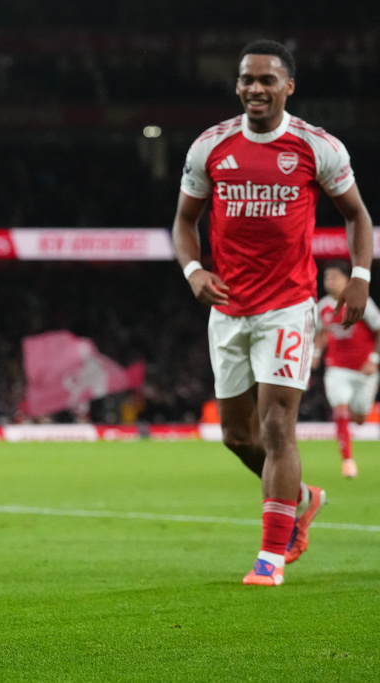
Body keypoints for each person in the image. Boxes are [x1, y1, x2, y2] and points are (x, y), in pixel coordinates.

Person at [172, 40, 374, 586]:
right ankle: (303, 500)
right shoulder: (210, 146)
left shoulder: (316, 146)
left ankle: (270, 555)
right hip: (227, 309)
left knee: (278, 426)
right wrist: (194, 273)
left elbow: (357, 215)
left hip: (287, 306)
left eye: (266, 80)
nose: (255, 89)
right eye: (246, 80)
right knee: (238, 436)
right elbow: (184, 222)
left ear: (289, 86)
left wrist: (360, 276)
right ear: (237, 85)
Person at [312, 262, 380, 479]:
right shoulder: (322, 306)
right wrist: (315, 354)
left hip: (363, 370)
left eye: (334, 277)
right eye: (327, 278)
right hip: (337, 368)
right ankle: (348, 462)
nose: (329, 282)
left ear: (346, 279)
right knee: (340, 408)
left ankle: (353, 417)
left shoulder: (360, 302)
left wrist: (374, 359)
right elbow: (321, 332)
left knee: (359, 416)